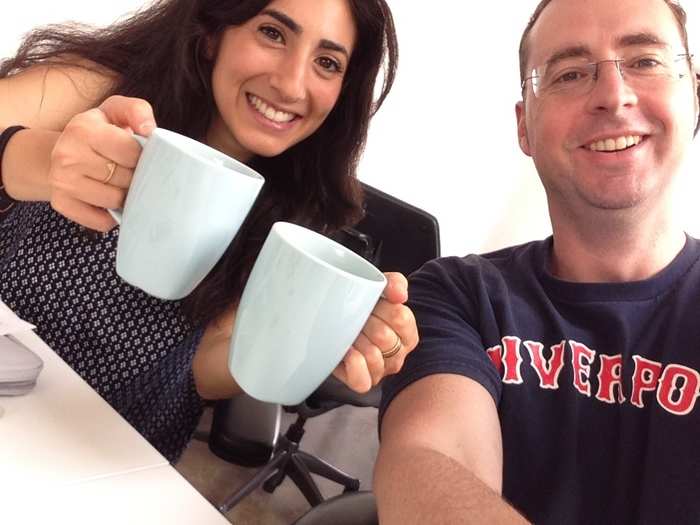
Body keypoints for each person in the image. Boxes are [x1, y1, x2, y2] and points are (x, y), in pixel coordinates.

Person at [0, 0, 418, 462]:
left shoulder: (296, 222)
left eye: (327, 62)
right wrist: (37, 159)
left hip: (103, 456)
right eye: (273, 34)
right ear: (213, 32)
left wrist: (322, 341)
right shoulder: (104, 91)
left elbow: (203, 371)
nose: (291, 85)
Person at [375, 0, 700, 523]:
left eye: (645, 61)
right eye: (569, 74)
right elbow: (428, 460)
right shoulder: (458, 294)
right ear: (524, 126)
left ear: (695, 97)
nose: (614, 96)